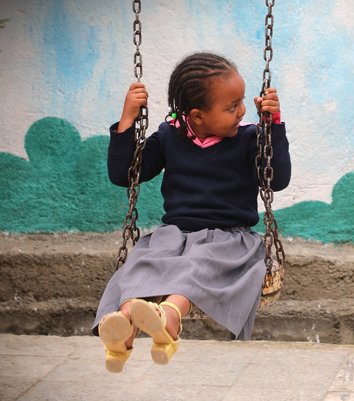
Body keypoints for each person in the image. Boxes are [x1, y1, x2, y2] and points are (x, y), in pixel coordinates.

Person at [92, 52, 291, 373]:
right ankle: (123, 324)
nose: (242, 110)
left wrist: (274, 125)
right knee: (141, 264)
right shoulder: (170, 136)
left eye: (241, 102)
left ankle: (168, 318)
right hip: (174, 235)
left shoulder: (250, 138)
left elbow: (277, 179)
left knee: (197, 267)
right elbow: (125, 174)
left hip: (229, 239)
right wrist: (128, 119)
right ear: (196, 116)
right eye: (231, 107)